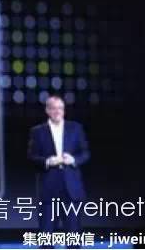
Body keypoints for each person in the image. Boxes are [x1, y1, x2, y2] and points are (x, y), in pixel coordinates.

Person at [27, 95, 90, 240]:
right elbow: (31, 156)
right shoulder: (37, 131)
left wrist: (73, 160)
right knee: (46, 236)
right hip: (48, 188)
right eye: (54, 108)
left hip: (71, 189)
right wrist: (48, 161)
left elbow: (85, 153)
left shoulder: (75, 128)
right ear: (47, 110)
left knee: (73, 237)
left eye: (60, 108)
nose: (57, 111)